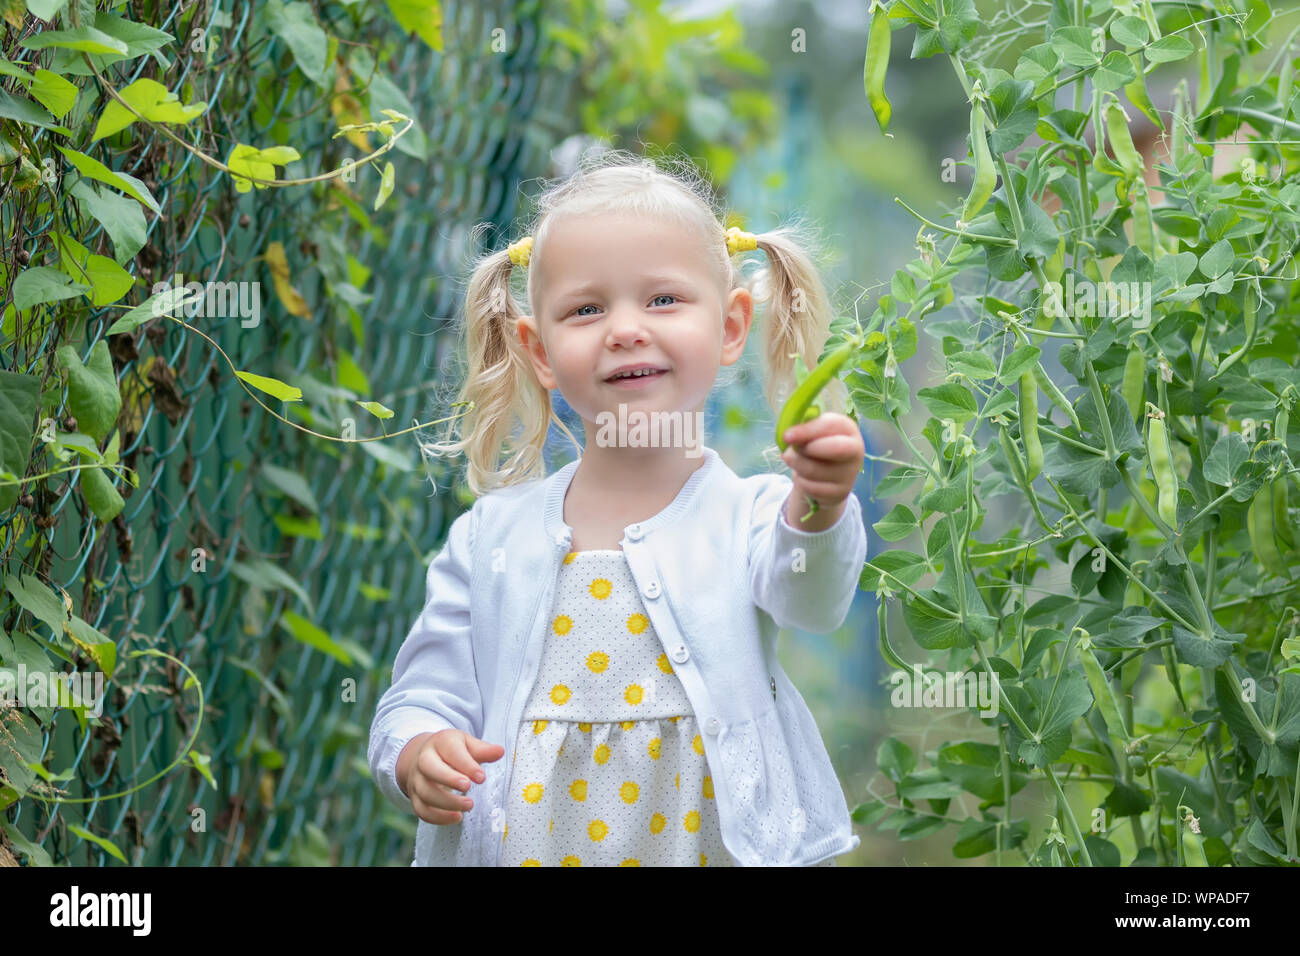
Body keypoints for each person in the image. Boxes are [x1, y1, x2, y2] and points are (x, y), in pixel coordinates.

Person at [367, 147, 867, 866]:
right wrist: (418, 751)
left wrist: (819, 505)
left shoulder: (752, 515)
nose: (626, 328)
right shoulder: (490, 538)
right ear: (540, 352)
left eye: (662, 299)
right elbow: (426, 694)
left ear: (730, 328)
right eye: (587, 308)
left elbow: (812, 601)